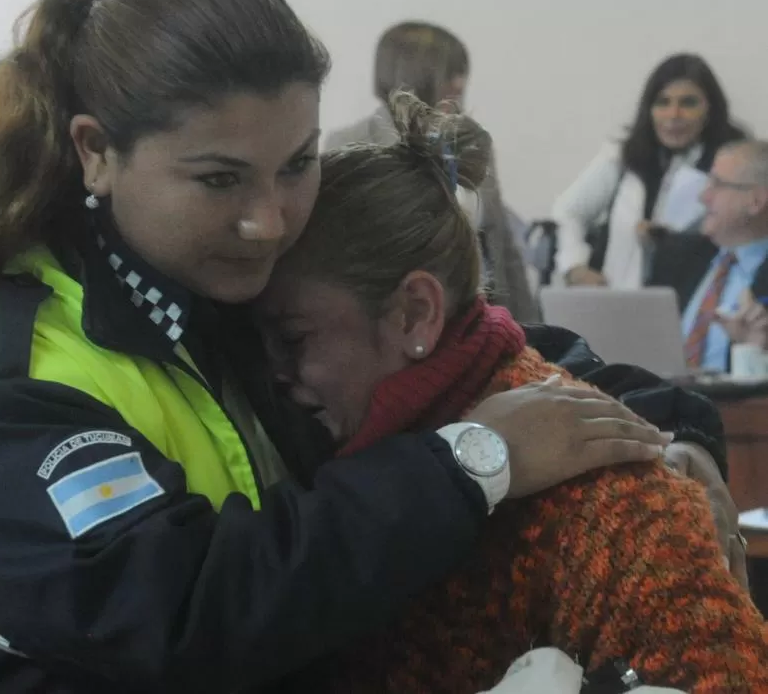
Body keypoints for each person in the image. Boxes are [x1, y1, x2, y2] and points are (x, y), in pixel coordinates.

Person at [0, 0, 715, 693]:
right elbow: (186, 614)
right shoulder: (5, 376)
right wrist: (472, 458)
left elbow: (461, 348)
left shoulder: (198, 274)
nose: (271, 219)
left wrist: (666, 426)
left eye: (296, 164)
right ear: (98, 152)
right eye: (219, 178)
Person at [259, 94, 767, 693]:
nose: (272, 374)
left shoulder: (604, 499)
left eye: (293, 340)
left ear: (414, 315)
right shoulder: (345, 427)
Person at [325, 21, 538, 322]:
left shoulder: (472, 143)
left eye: (463, 72)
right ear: (413, 73)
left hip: (482, 329)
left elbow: (503, 246)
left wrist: (532, 330)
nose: (462, 84)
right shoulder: (350, 145)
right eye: (452, 72)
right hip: (393, 329)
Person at [553, 53, 745, 289]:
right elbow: (568, 211)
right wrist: (575, 266)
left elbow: (744, 231)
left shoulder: (732, 164)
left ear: (710, 109)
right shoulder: (622, 155)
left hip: (701, 303)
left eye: (688, 103)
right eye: (663, 102)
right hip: (623, 297)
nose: (674, 115)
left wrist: (670, 240)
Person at [648, 140, 768, 372]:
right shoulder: (677, 256)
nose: (703, 197)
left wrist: (753, 351)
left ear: (756, 201)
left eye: (717, 184)